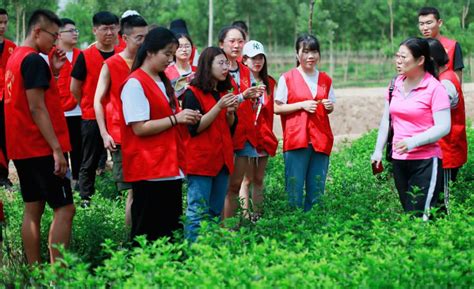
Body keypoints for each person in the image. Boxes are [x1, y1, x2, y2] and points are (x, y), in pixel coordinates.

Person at [4, 9, 74, 264]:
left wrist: (53, 73)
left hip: (23, 148)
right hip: (41, 147)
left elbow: (33, 99)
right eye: (53, 36)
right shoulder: (33, 60)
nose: (55, 42)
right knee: (65, 209)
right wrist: (57, 149)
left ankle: (33, 272)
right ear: (37, 32)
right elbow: (36, 107)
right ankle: (59, 277)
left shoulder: (16, 58)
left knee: (33, 208)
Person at [120, 27, 201, 244]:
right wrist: (177, 118)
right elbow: (140, 128)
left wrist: (183, 116)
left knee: (169, 232)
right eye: (166, 53)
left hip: (169, 167)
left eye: (172, 54)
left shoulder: (162, 81)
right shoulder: (135, 83)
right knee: (147, 233)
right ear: (150, 52)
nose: (170, 59)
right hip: (149, 169)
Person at [371, 37, 451, 220]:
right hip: (399, 160)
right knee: (409, 214)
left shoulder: (434, 88)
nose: (398, 61)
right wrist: (377, 151)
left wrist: (414, 141)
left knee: (421, 216)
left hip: (425, 161)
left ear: (420, 60)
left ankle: (428, 246)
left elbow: (444, 126)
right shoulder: (395, 85)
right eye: (397, 56)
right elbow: (386, 120)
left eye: (403, 57)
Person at [94, 14, 148, 225]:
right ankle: (131, 240)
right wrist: (104, 133)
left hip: (148, 133)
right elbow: (97, 100)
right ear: (124, 37)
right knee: (133, 192)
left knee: (148, 190)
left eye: (146, 37)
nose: (144, 42)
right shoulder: (111, 64)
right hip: (121, 137)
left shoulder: (148, 62)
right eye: (139, 38)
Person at [274, 34, 335, 212]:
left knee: (317, 190)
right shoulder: (287, 78)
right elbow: (277, 108)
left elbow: (329, 107)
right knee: (294, 190)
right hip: (297, 140)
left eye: (314, 51)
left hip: (320, 140)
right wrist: (301, 105)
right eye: (306, 51)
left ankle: (314, 230)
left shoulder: (325, 79)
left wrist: (329, 107)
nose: (310, 56)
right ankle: (295, 229)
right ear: (297, 54)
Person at [182, 47, 237, 241]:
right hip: (201, 162)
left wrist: (230, 113)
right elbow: (194, 128)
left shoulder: (222, 92)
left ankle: (210, 251)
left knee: (214, 211)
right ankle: (192, 253)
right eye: (220, 63)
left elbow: (230, 128)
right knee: (197, 211)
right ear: (207, 66)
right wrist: (218, 108)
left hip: (221, 160)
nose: (225, 68)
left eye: (226, 64)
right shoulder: (192, 93)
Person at [70, 11, 120, 207]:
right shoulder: (85, 56)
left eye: (113, 27)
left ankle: (122, 195)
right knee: (89, 160)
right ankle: (85, 198)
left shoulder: (122, 55)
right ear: (94, 30)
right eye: (104, 28)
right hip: (91, 115)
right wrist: (87, 103)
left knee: (120, 157)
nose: (109, 32)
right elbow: (74, 87)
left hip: (116, 115)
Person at [218, 25, 260, 220]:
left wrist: (254, 97)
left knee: (236, 185)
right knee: (221, 186)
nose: (236, 45)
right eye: (232, 41)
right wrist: (243, 96)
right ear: (221, 44)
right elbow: (222, 101)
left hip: (244, 135)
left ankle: (232, 227)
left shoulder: (245, 71)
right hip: (223, 135)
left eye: (240, 41)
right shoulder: (217, 71)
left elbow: (250, 97)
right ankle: (221, 228)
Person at [239, 40, 277, 220]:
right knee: (246, 180)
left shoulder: (270, 82)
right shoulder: (240, 82)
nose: (257, 61)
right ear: (244, 59)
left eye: (260, 57)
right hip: (247, 137)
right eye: (253, 58)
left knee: (259, 179)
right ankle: (246, 217)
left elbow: (272, 111)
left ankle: (258, 215)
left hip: (264, 136)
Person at [47, 18, 82, 190]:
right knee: (61, 149)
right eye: (71, 30)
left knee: (78, 147)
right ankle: (64, 182)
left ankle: (77, 181)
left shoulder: (81, 55)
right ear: (59, 35)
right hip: (58, 111)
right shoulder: (51, 55)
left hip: (78, 110)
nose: (75, 33)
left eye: (76, 30)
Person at [427, 38, 467, 184]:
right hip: (444, 149)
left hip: (448, 151)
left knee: (444, 201)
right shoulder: (444, 77)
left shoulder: (445, 83)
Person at [418, 7, 464, 82]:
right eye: (421, 24)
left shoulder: (453, 45)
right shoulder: (417, 47)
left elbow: (457, 78)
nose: (425, 28)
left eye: (429, 23)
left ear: (439, 23)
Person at [0, 8, 15, 188]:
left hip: (7, 100)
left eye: (5, 22)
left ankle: (3, 176)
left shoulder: (12, 47)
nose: (2, 26)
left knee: (5, 138)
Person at [165, 33, 197, 100]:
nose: (184, 50)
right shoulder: (166, 72)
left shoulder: (197, 71)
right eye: (180, 47)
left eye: (187, 46)